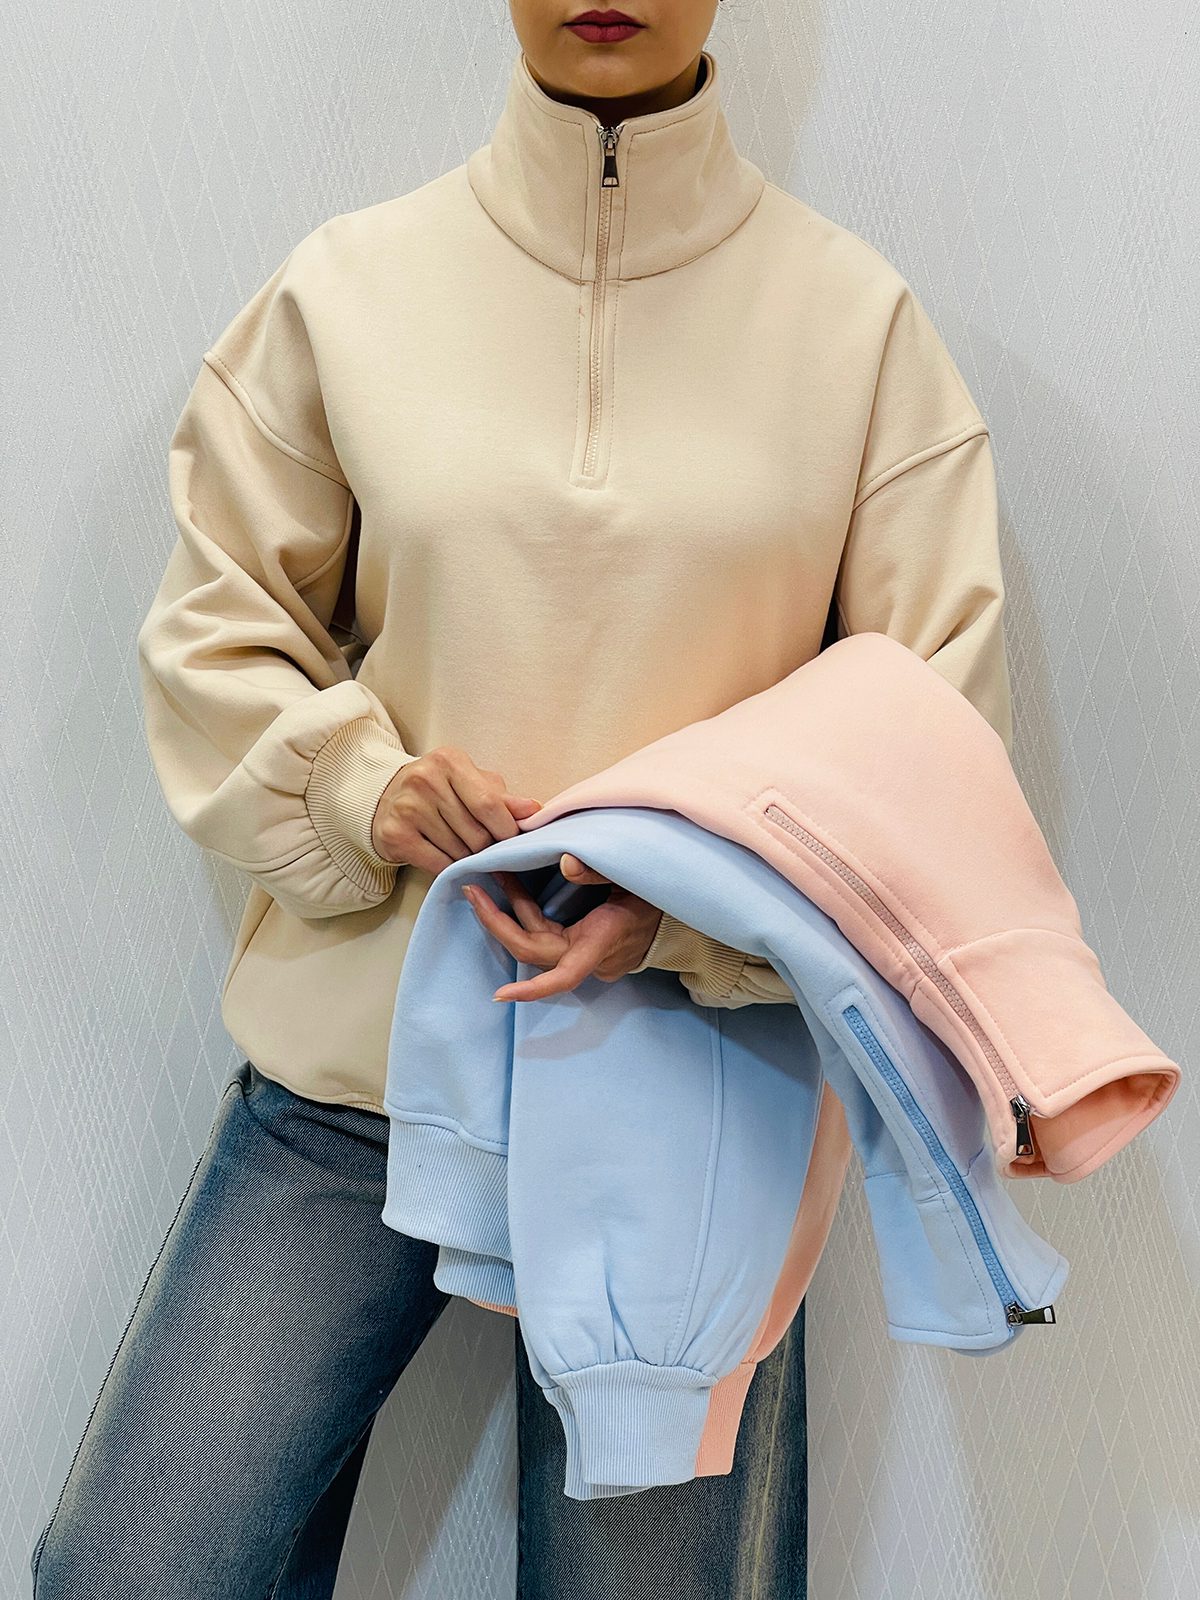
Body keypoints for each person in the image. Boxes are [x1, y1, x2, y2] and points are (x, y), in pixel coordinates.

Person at [29, 1, 1014, 1596]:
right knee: (132, 1571)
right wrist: (363, 786)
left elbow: (938, 740)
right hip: (360, 1074)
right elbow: (214, 631)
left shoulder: (857, 330)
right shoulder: (348, 290)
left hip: (694, 1097)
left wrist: (691, 911)